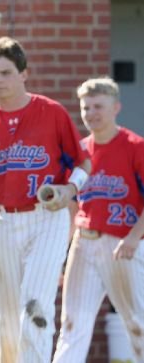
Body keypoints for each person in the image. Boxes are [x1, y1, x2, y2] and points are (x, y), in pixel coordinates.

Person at [0, 36, 91, 363]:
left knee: (35, 303)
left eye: (5, 72)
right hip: (3, 221)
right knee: (6, 315)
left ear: (23, 74)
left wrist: (70, 190)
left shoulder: (51, 113)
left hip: (46, 217)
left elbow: (83, 163)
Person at [52, 77, 144, 363]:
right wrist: (60, 257)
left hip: (123, 245)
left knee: (137, 324)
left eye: (98, 106)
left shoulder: (134, 146)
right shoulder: (80, 151)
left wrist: (133, 236)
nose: (91, 113)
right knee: (71, 325)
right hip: (84, 243)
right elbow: (71, 205)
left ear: (116, 107)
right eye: (86, 107)